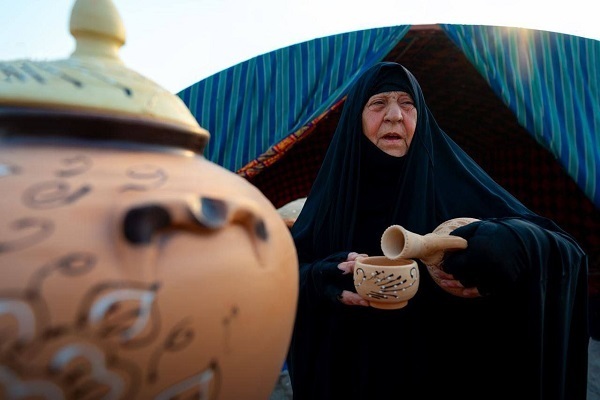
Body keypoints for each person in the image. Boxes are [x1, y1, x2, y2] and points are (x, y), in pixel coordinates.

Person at [286, 62, 589, 399]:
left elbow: (567, 251)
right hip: (353, 380)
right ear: (355, 117)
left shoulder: (453, 184)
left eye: (407, 103)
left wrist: (507, 245)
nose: (394, 116)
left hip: (444, 380)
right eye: (377, 103)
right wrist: (321, 278)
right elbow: (280, 275)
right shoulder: (332, 199)